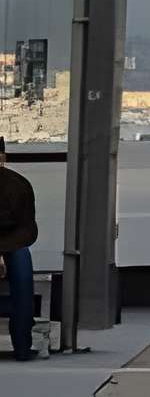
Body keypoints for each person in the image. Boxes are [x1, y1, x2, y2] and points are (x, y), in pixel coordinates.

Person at [0, 134, 37, 361]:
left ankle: (22, 344)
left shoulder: (18, 185)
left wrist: (3, 252)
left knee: (23, 268)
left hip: (13, 244)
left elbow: (27, 229)